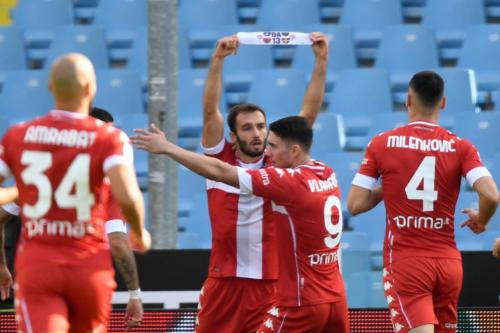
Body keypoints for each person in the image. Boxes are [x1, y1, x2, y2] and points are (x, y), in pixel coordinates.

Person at [131, 116, 349, 333]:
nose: (267, 152)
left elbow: (220, 171)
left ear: (294, 151)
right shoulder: (327, 172)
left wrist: (168, 148)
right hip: (336, 298)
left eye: (272, 146)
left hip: (301, 301)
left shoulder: (287, 182)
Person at [184, 32, 329, 333]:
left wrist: (321, 60)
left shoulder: (277, 162)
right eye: (248, 128)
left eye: (261, 127)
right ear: (234, 136)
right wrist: (217, 60)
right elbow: (210, 111)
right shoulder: (219, 159)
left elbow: (308, 115)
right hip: (224, 283)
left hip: (272, 284)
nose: (257, 134)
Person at [0, 53, 151, 332]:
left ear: (50, 88)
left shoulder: (20, 135)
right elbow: (128, 196)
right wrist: (140, 233)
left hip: (39, 265)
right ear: (90, 89)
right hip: (88, 267)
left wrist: (14, 193)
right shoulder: (110, 138)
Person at [346, 71, 500, 333]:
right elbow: (492, 195)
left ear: (408, 99)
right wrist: (481, 220)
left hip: (407, 261)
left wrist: (392, 183)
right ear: (443, 103)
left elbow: (355, 204)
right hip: (448, 264)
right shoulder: (461, 146)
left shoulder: (382, 144)